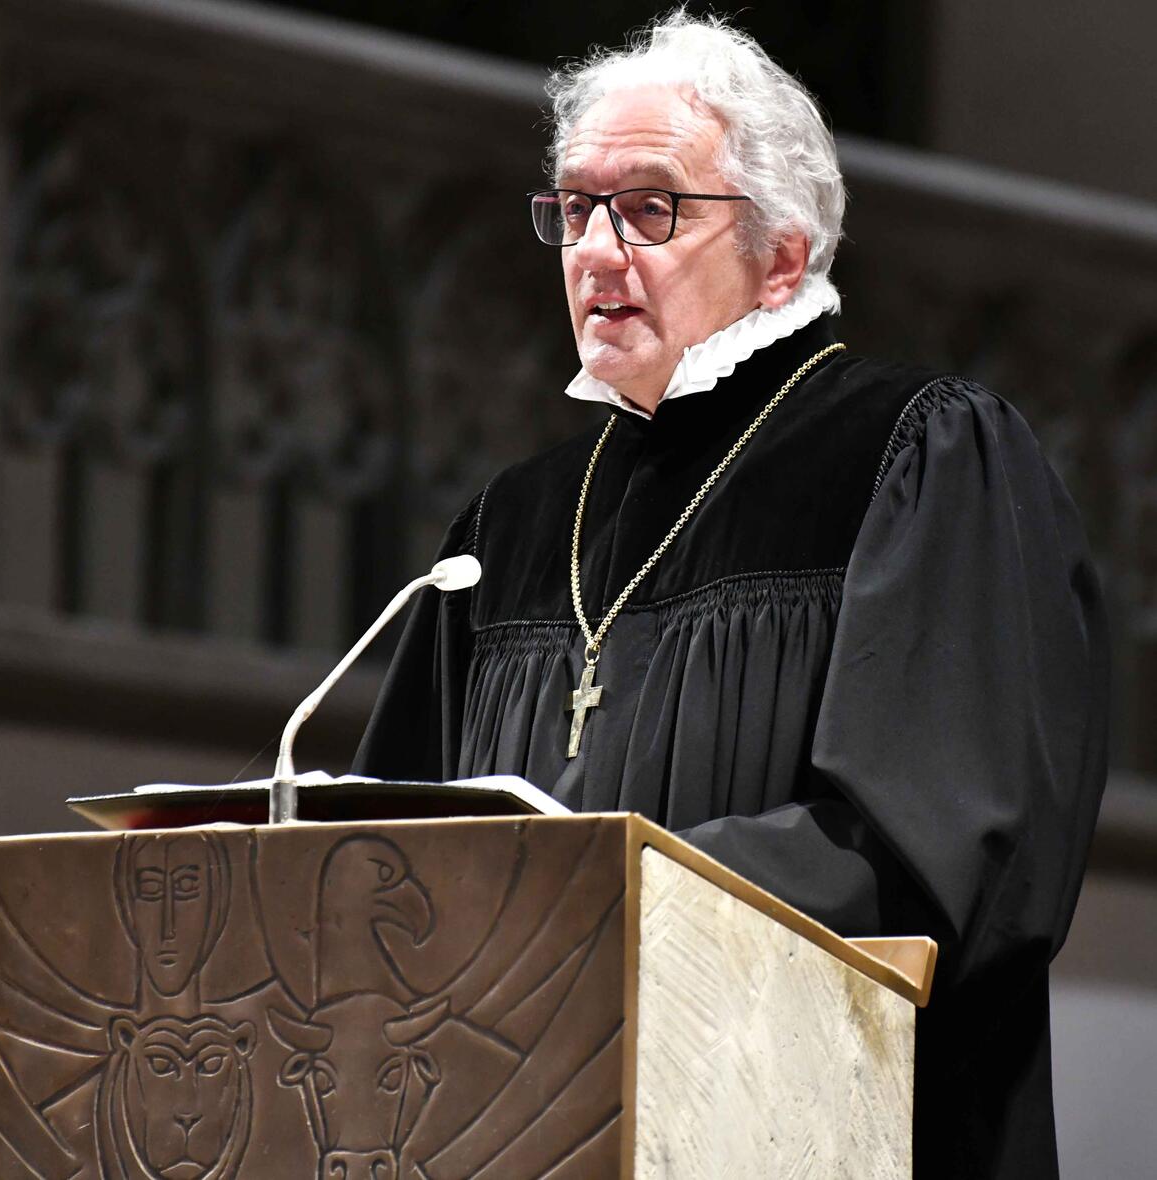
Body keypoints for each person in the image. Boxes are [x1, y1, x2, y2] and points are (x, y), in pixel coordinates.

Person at [353, 12, 1108, 1179]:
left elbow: (932, 851)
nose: (597, 251)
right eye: (573, 209)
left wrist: (582, 912)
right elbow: (386, 847)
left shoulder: (916, 456)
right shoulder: (507, 527)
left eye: (651, 207)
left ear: (783, 255)